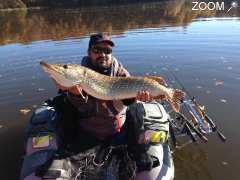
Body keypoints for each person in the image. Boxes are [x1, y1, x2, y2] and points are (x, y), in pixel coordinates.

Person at [54, 33, 168, 179]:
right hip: (89, 130)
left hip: (116, 128)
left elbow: (127, 102)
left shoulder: (120, 72)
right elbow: (79, 108)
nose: (103, 54)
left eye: (107, 51)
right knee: (63, 103)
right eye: (97, 50)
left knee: (136, 108)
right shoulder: (81, 74)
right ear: (89, 53)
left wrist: (138, 96)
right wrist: (75, 94)